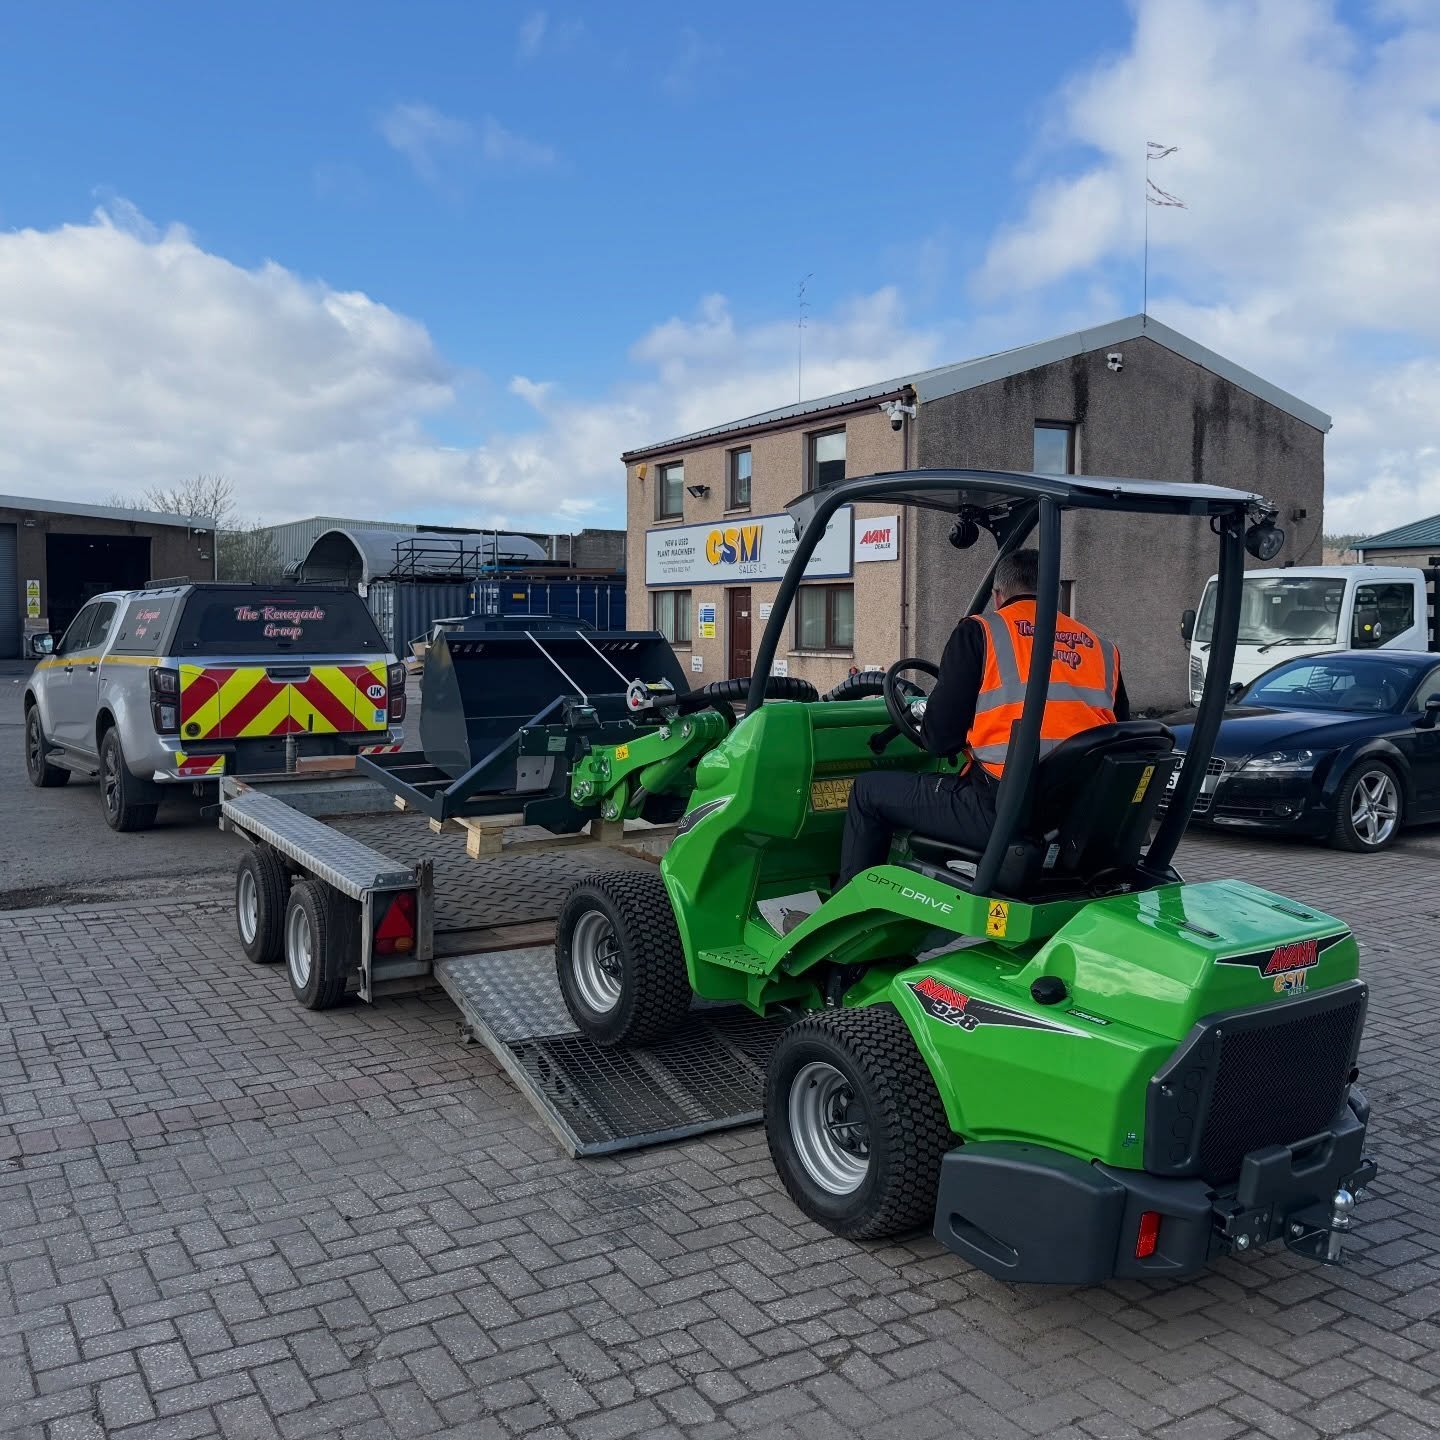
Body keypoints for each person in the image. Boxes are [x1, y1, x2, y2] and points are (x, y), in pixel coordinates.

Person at [836, 548, 1128, 885]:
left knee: (868, 790)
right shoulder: (1101, 648)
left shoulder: (981, 632)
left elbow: (940, 738)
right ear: (1055, 589)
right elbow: (1114, 731)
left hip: (1002, 810)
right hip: (1077, 812)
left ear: (997, 595)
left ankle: (848, 905)